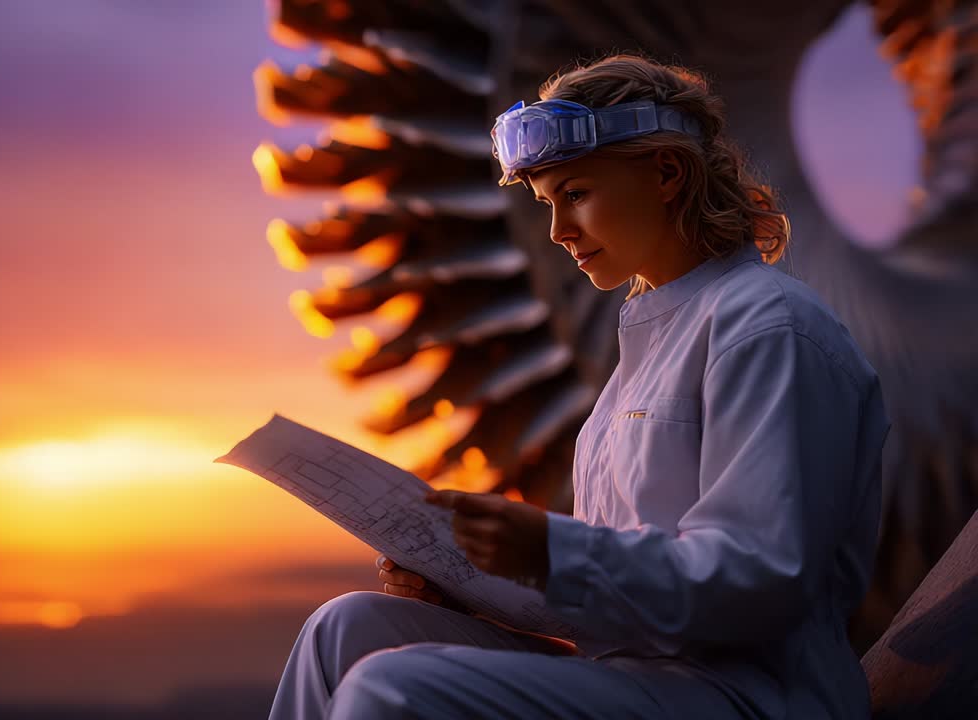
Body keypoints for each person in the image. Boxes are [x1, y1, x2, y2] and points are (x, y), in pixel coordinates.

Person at [267, 53, 892, 719]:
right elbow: (621, 591)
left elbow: (759, 583)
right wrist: (475, 585)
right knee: (347, 631)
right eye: (545, 203)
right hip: (639, 678)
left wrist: (551, 550)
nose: (560, 232)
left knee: (390, 688)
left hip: (749, 697)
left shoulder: (769, 327)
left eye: (577, 193)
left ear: (667, 173)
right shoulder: (645, 353)